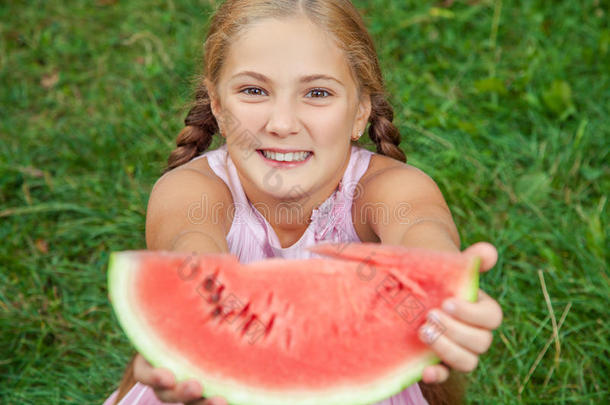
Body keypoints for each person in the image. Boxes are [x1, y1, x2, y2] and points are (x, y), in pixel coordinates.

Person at [103, 0, 503, 404]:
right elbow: (189, 247)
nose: (282, 124)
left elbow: (420, 227)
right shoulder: (192, 190)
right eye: (254, 90)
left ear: (361, 109)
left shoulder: (386, 189)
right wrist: (193, 339)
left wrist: (446, 293)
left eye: (317, 92)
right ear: (219, 106)